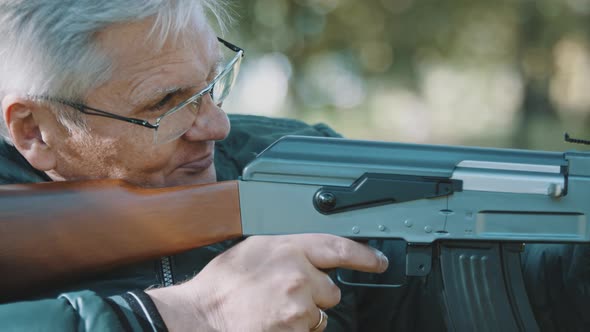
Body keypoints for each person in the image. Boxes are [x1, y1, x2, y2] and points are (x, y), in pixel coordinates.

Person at [0, 1, 588, 331]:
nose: (217, 126)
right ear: (34, 132)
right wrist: (191, 313)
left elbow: (426, 293)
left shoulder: (287, 156)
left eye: (213, 84)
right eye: (165, 104)